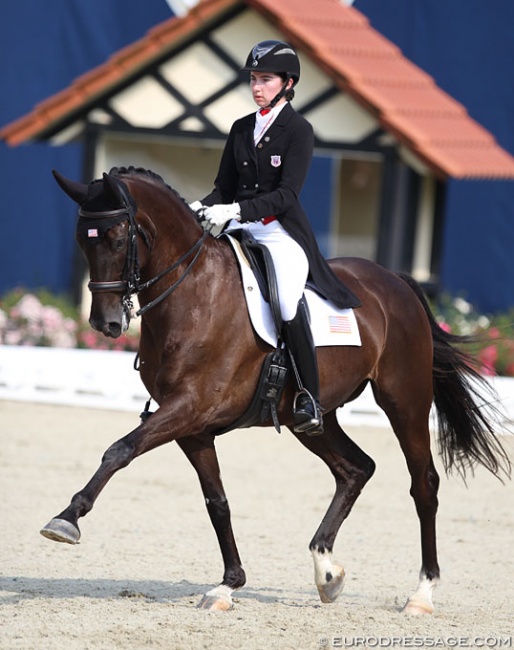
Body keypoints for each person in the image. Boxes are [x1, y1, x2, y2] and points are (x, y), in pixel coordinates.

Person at [190, 40, 360, 435]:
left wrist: (234, 211)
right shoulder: (241, 129)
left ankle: (308, 395)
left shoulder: (298, 130)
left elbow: (286, 196)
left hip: (280, 231)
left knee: (285, 298)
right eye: (253, 79)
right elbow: (223, 189)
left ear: (287, 83)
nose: (256, 87)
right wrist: (198, 208)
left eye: (265, 79)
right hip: (240, 227)